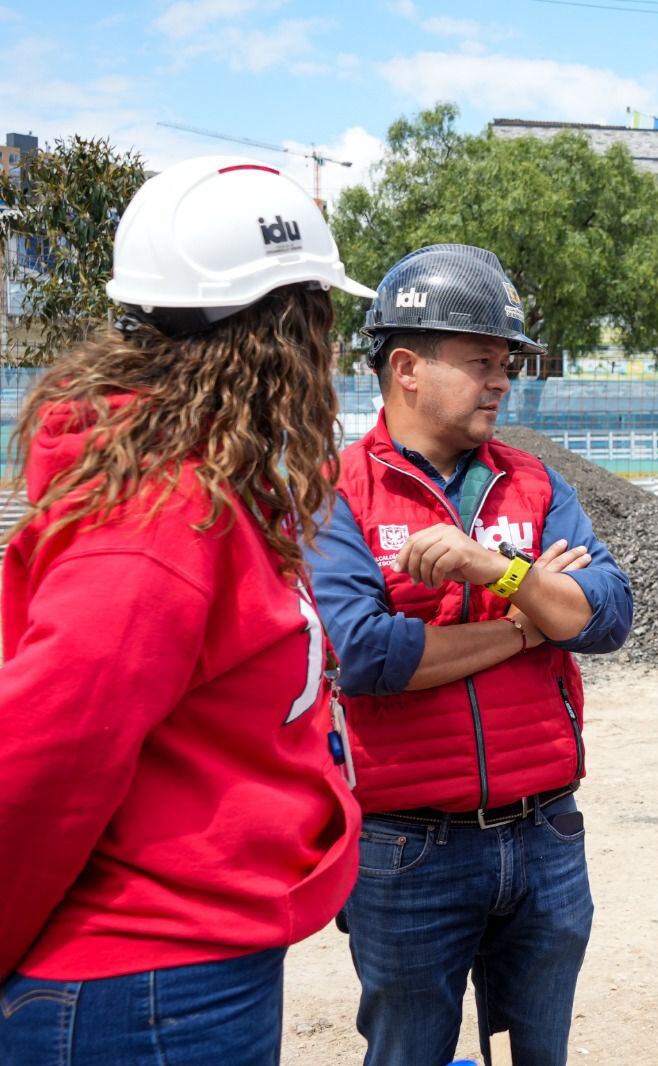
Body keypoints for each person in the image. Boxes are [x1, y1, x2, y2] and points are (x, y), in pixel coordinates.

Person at [0, 156, 372, 1064]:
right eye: (320, 318)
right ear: (283, 332)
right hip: (139, 985)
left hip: (177, 971)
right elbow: (43, 758)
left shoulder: (204, 484)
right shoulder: (161, 517)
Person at [306, 243, 633, 1066]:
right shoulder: (334, 490)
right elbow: (369, 654)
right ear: (407, 367)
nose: (502, 381)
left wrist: (497, 568)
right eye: (481, 361)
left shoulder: (534, 483)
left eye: (506, 364)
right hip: (408, 851)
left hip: (547, 835)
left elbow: (607, 615)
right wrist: (532, 622)